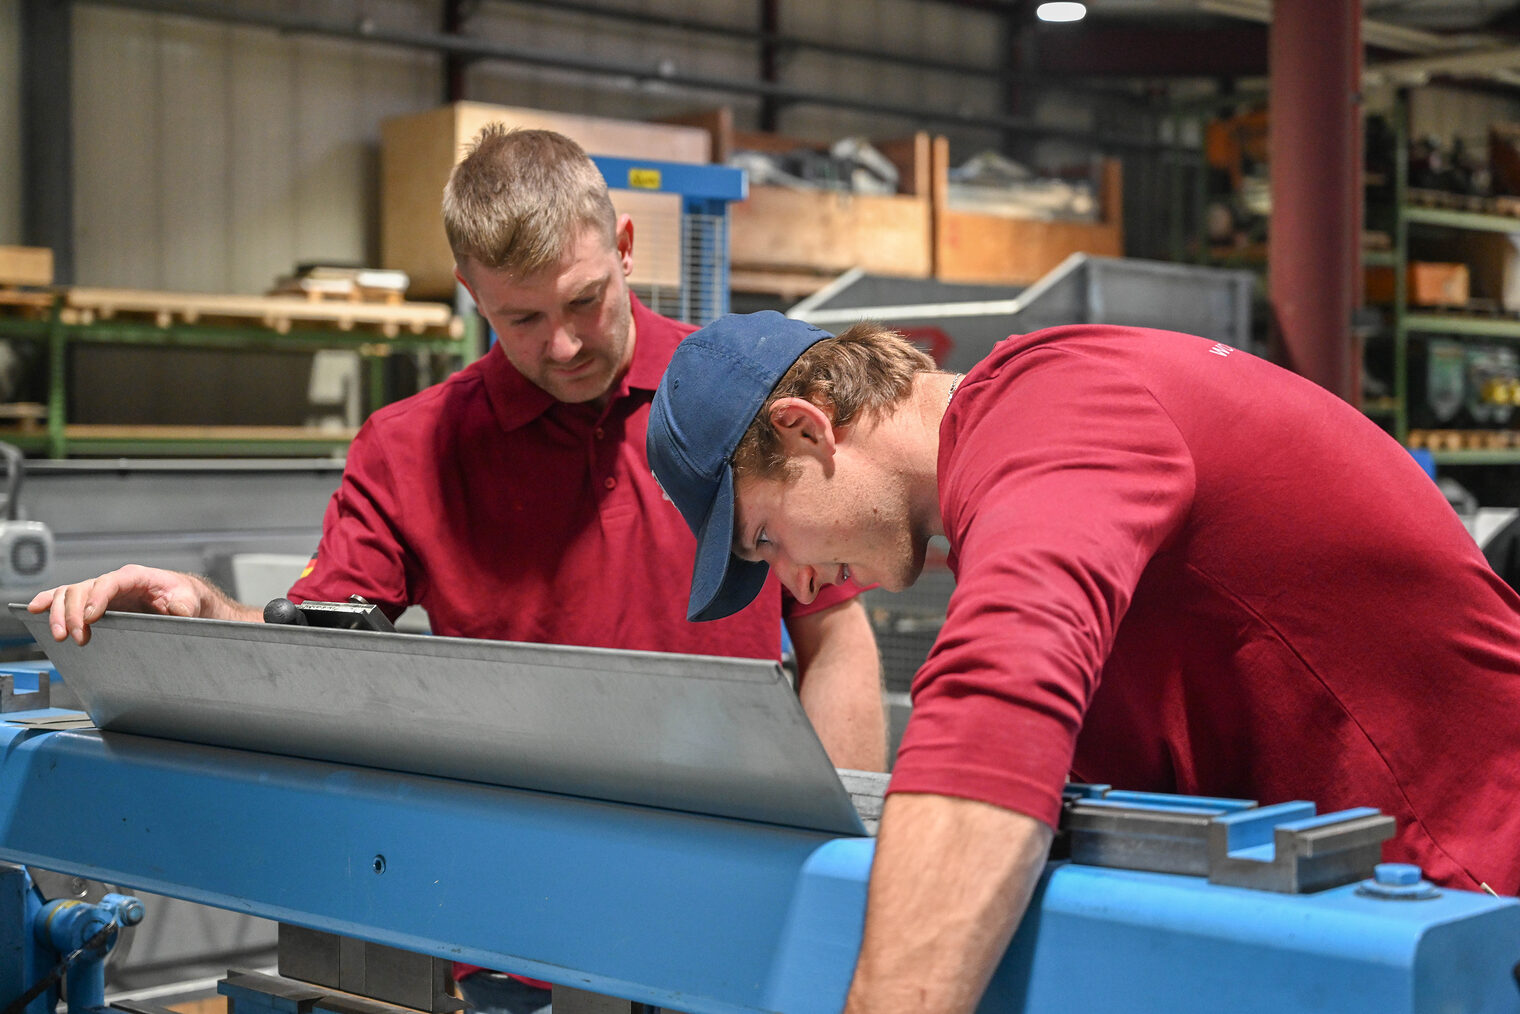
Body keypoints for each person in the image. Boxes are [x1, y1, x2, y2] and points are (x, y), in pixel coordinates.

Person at [29, 129, 886, 1014]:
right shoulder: (410, 451)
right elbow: (322, 653)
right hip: (509, 926)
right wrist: (206, 612)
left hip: (736, 897)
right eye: (522, 318)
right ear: (471, 295)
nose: (562, 347)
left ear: (626, 248)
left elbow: (835, 635)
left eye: (585, 301)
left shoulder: (742, 406)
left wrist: (842, 874)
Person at [645, 310, 1520, 1014]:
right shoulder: (1031, 429)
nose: (794, 580)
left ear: (807, 429)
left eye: (766, 538)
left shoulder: (1057, 411)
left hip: (1478, 884)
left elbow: (1000, 699)